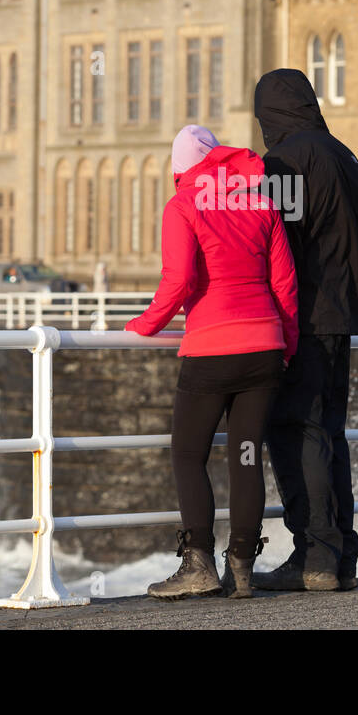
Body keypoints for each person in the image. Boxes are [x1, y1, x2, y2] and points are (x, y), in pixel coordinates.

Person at [126, 125, 299, 600]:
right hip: (263, 347)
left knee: (187, 454)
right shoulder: (260, 202)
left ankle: (199, 563)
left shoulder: (183, 205)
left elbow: (179, 279)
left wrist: (144, 324)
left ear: (181, 168)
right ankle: (242, 568)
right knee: (246, 456)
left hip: (211, 350)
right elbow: (285, 285)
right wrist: (284, 346)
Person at [251, 68, 358, 592]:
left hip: (303, 316)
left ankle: (314, 554)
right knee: (331, 433)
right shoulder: (348, 156)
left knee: (298, 429)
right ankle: (342, 556)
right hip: (343, 314)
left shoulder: (284, 162)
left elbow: (277, 244)